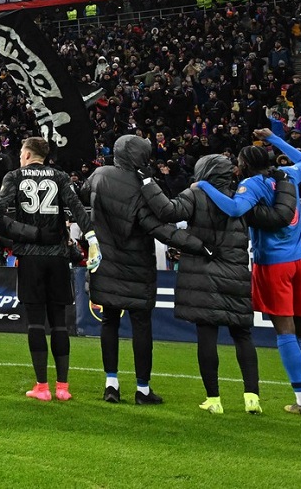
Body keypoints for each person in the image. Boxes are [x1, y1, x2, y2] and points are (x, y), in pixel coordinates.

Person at [141, 154, 296, 414]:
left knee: (207, 336)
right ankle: (252, 398)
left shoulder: (196, 195)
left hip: (202, 275)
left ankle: (214, 400)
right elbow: (280, 216)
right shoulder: (242, 198)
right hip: (235, 275)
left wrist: (147, 182)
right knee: (243, 336)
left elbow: (167, 211)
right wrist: (286, 182)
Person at [195, 129, 301, 416]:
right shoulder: (287, 176)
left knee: (285, 330)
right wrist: (274, 138)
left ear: (244, 165)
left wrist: (204, 186)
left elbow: (234, 209)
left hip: (273, 263)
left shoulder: (252, 185)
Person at [81, 135, 209, 405]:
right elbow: (160, 227)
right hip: (136, 264)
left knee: (109, 322)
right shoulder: (141, 185)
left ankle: (111, 384)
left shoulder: (99, 174)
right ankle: (142, 389)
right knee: (141, 327)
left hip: (104, 260)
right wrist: (200, 246)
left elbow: (83, 193)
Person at [0, 137, 97, 402]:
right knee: (59, 324)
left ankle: (42, 387)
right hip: (57, 257)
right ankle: (63, 387)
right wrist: (91, 237)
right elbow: (77, 208)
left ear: (29, 155)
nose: (20, 157)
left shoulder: (15, 176)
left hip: (30, 258)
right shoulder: (60, 176)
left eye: (21, 153)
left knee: (34, 323)